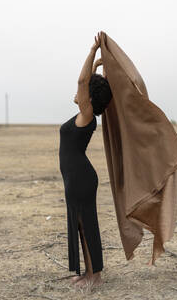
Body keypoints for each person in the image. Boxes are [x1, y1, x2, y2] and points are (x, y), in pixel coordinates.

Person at [59, 32, 112, 289]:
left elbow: (82, 81)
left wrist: (92, 51)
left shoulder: (87, 114)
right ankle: (88, 273)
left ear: (89, 99)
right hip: (76, 177)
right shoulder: (86, 112)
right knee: (81, 227)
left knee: (86, 226)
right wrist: (97, 67)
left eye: (84, 91)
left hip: (80, 178)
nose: (78, 91)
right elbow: (85, 84)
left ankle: (95, 277)